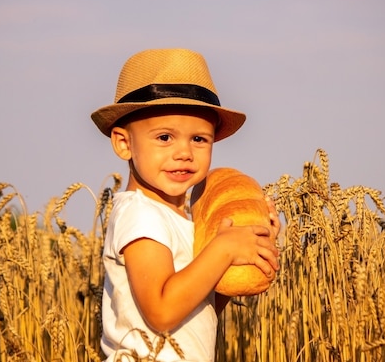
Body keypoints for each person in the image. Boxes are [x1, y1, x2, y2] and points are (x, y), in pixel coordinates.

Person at [91, 48, 280, 362]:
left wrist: (248, 250)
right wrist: (222, 250)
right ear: (124, 143)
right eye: (165, 137)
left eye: (199, 139)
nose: (184, 152)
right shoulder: (140, 215)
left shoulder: (181, 219)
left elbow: (196, 311)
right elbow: (163, 312)